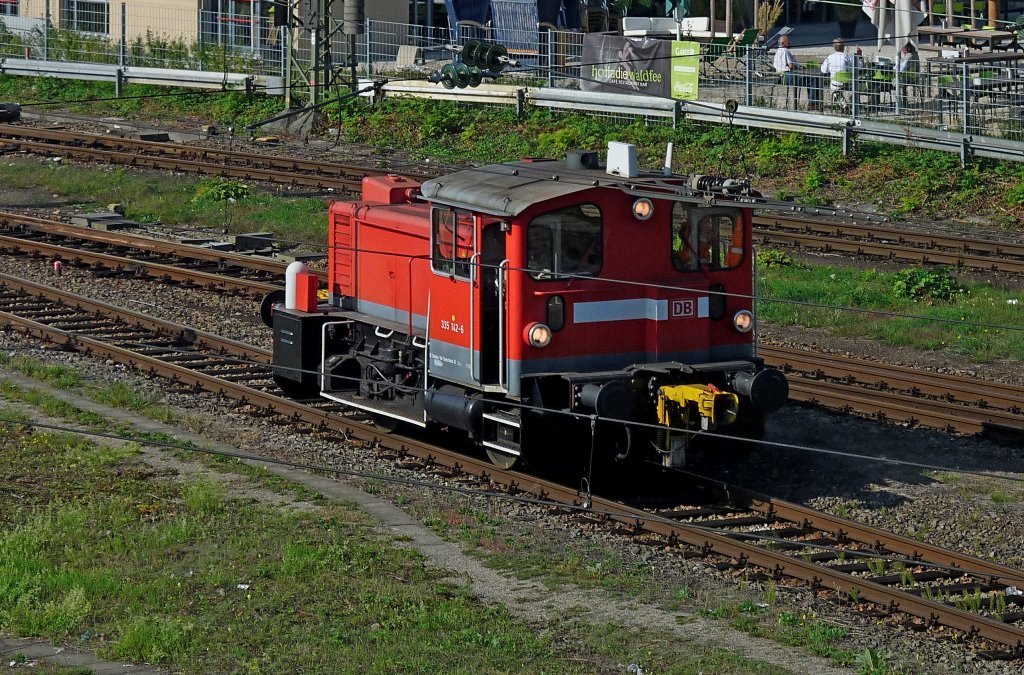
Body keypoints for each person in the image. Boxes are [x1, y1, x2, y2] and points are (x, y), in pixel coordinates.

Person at [773, 34, 822, 111]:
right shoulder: (785, 51)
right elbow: (791, 66)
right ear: (782, 43)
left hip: (782, 76)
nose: (790, 43)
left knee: (810, 79)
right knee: (814, 79)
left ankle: (813, 102)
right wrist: (799, 68)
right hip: (787, 75)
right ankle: (813, 103)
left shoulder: (778, 52)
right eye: (788, 42)